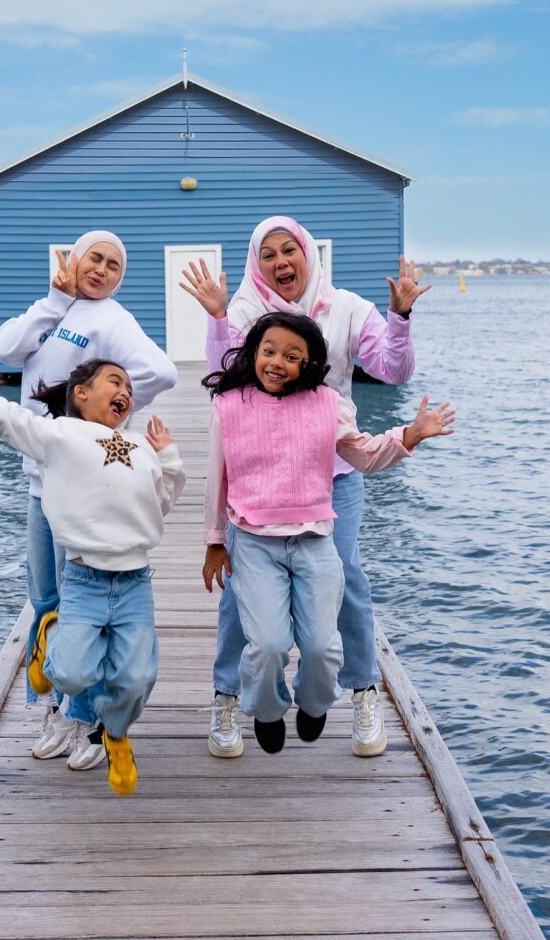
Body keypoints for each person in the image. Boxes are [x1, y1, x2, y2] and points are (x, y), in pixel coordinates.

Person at [180, 215, 431, 759]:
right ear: (256, 263)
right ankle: (229, 695)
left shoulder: (346, 307)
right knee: (238, 598)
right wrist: (220, 316)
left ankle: (362, 690)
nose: (279, 262)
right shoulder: (246, 309)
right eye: (267, 254)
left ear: (308, 253)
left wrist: (401, 316)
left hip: (332, 471)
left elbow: (393, 369)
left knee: (349, 584)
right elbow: (224, 378)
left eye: (288, 249)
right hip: (259, 482)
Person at [0, 355, 185, 796]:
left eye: (129, 386)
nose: (125, 391)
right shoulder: (59, 436)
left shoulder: (139, 447)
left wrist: (167, 457)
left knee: (137, 679)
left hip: (134, 583)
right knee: (72, 675)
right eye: (114, 381)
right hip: (85, 582)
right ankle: (48, 639)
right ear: (81, 393)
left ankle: (115, 733)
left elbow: (159, 503)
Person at [202, 312, 454, 753]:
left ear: (309, 364)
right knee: (267, 645)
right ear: (254, 352)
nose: (277, 362)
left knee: (321, 646)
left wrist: (408, 436)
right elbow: (215, 480)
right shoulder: (229, 405)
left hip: (315, 541)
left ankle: (315, 703)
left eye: (292, 356)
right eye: (268, 351)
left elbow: (363, 455)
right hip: (254, 544)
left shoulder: (327, 404)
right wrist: (214, 541)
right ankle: (265, 709)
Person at [0, 231, 177, 770]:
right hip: (39, 484)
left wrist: (105, 410)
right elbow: (6, 349)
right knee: (46, 600)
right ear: (73, 260)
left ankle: (85, 720)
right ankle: (50, 707)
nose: (102, 269)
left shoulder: (112, 320)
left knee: (80, 608)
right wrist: (53, 304)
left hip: (84, 484)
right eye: (94, 258)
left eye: (115, 264)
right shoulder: (50, 309)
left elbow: (161, 372)